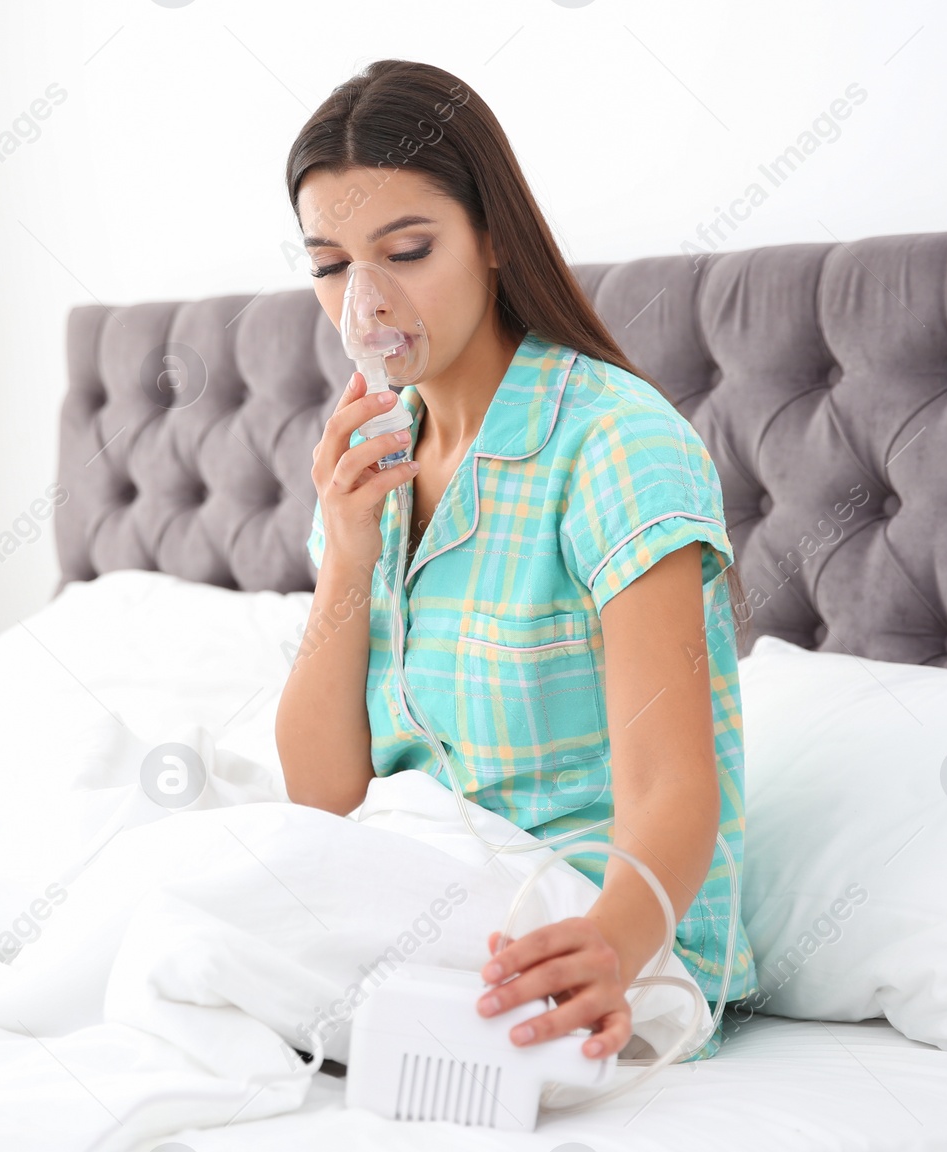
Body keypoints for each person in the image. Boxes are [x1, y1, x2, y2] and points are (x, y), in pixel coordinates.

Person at [275, 59, 757, 1063]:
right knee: (187, 895)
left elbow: (674, 785)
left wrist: (612, 949)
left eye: (406, 249)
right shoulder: (369, 463)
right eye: (329, 264)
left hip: (586, 918)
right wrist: (348, 556)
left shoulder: (614, 444)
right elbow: (321, 794)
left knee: (195, 912)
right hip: (415, 883)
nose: (365, 302)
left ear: (493, 237)